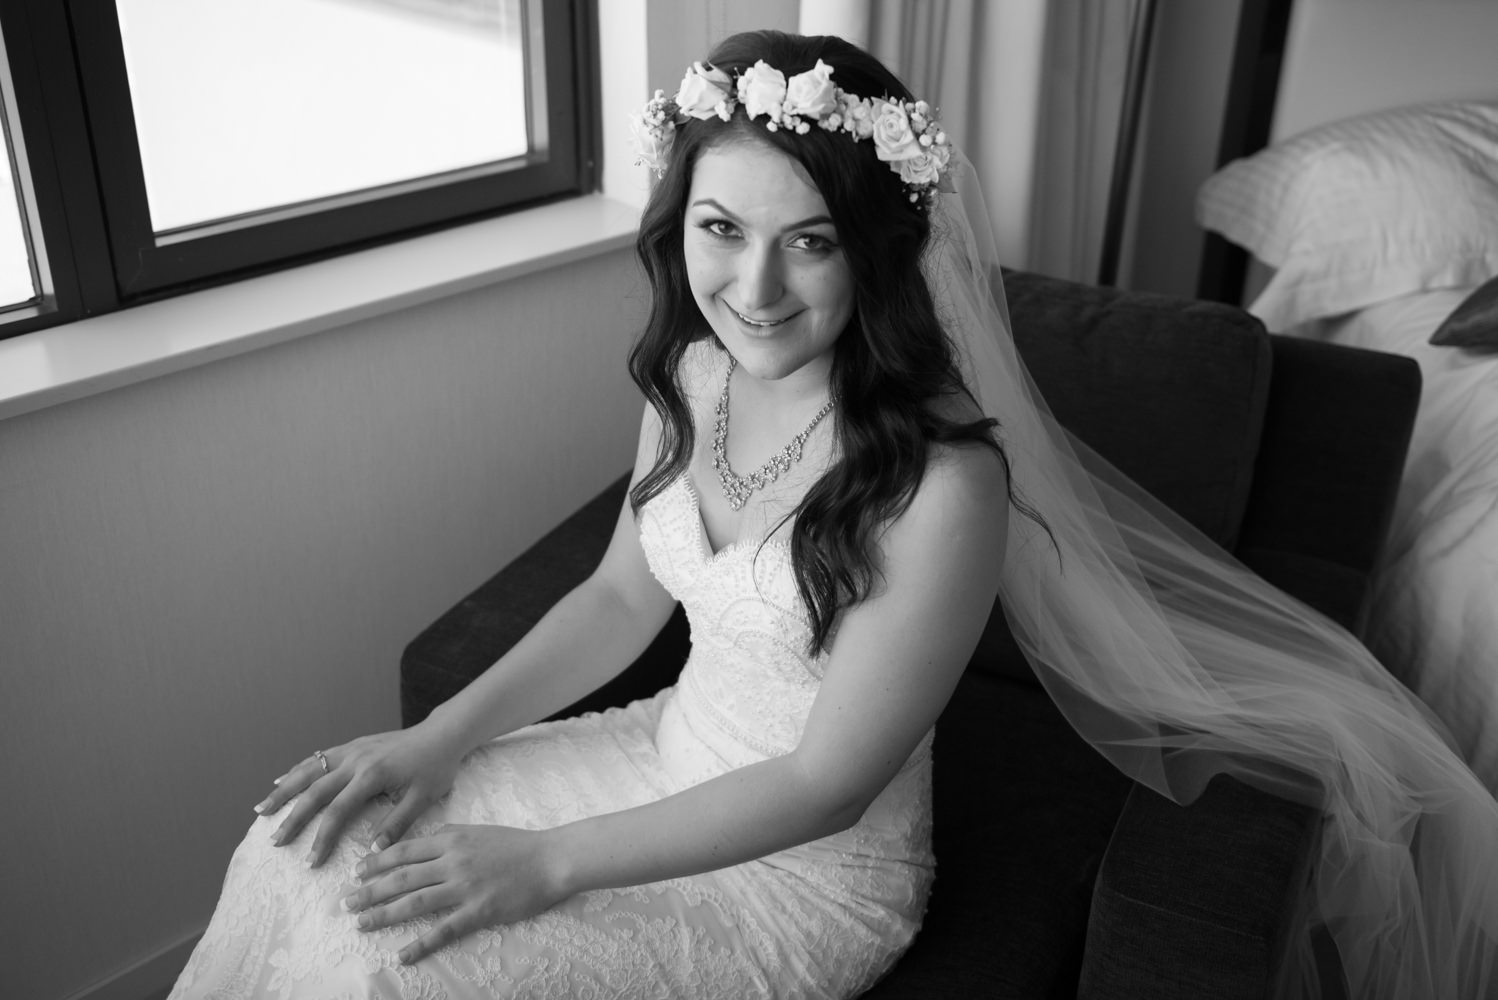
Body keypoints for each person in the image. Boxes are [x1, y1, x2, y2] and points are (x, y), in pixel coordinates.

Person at [170, 30, 1498, 1000]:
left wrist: (544, 866)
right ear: (674, 227)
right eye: (716, 229)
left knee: (397, 968)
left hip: (796, 876)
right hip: (654, 757)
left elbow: (824, 783)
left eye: (807, 241)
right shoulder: (689, 370)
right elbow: (617, 600)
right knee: (306, 852)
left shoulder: (942, 483)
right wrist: (432, 739)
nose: (750, 287)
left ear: (877, 249)